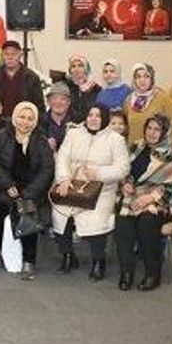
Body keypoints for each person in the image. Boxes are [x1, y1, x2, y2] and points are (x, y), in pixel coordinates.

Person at [52, 105, 129, 281]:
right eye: (90, 115)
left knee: (97, 219)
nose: (93, 119)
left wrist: (99, 173)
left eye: (98, 116)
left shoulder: (115, 139)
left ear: (105, 119)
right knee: (60, 212)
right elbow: (62, 158)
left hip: (102, 189)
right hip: (73, 185)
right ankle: (68, 255)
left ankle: (98, 261)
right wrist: (63, 179)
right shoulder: (73, 133)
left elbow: (123, 168)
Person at [115, 114, 172, 291]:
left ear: (165, 132)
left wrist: (150, 198)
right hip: (133, 196)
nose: (152, 133)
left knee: (147, 223)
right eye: (149, 128)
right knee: (123, 222)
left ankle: (152, 273)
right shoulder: (136, 146)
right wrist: (125, 184)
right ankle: (126, 272)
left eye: (157, 129)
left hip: (161, 201)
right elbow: (124, 171)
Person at [0, 101, 54, 280]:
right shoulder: (2, 136)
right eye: (22, 117)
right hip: (3, 188)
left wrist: (29, 192)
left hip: (30, 190)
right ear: (15, 117)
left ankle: (29, 261)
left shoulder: (41, 140)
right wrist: (7, 185)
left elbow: (47, 170)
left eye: (30, 118)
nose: (25, 122)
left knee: (29, 214)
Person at [0, 40, 44, 117]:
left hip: (24, 122)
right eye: (6, 54)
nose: (10, 57)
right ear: (2, 56)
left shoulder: (31, 78)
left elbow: (39, 107)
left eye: (13, 54)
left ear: (20, 55)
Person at [124, 63, 172, 144]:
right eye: (138, 77)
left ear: (152, 78)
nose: (142, 80)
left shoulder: (164, 99)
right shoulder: (129, 100)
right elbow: (125, 127)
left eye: (146, 76)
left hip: (156, 148)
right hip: (133, 148)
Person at [63, 54, 102, 122]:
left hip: (90, 124)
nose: (76, 69)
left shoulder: (96, 89)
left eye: (80, 66)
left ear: (86, 68)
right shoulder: (65, 87)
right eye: (73, 66)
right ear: (70, 70)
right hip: (69, 124)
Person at [40, 83, 74, 153]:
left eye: (63, 99)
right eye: (54, 98)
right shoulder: (40, 122)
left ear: (69, 102)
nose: (58, 102)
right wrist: (45, 146)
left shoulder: (76, 121)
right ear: (48, 101)